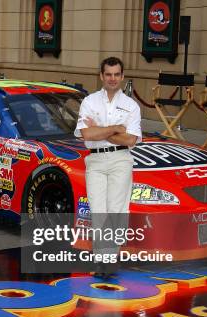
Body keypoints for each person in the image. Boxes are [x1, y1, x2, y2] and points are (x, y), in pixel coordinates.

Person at [74, 57, 141, 279]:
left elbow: (130, 140)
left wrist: (101, 130)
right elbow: (87, 134)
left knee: (116, 210)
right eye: (108, 74)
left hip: (121, 160)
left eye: (116, 74)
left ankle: (108, 261)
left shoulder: (132, 106)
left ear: (122, 76)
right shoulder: (89, 102)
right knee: (98, 212)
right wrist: (114, 129)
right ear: (101, 76)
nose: (112, 78)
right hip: (95, 161)